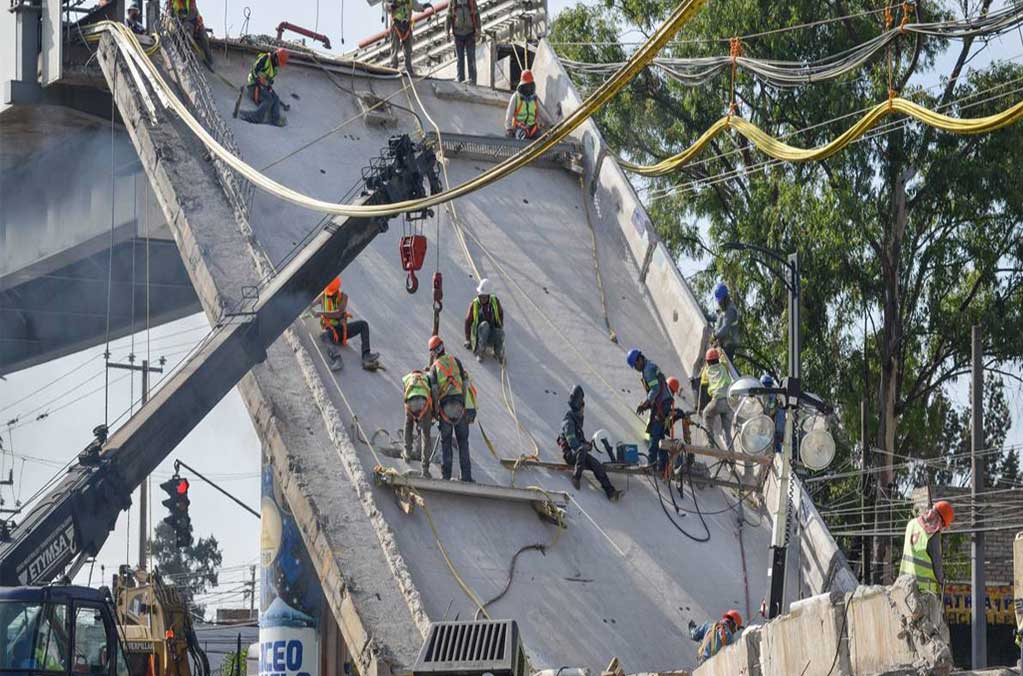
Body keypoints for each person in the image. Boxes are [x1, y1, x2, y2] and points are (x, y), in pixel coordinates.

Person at [558, 385, 621, 501]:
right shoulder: (569, 422)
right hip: (571, 454)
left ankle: (611, 492)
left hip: (579, 454)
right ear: (579, 408)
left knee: (597, 465)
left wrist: (588, 444)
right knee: (582, 449)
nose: (583, 412)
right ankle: (576, 477)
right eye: (583, 409)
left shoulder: (576, 421)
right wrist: (584, 447)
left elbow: (579, 441)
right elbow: (572, 443)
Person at [428, 336, 473, 482]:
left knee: (446, 442)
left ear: (433, 352)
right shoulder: (456, 361)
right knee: (463, 442)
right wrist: (464, 404)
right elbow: (465, 383)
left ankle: (446, 477)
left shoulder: (435, 367)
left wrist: (435, 410)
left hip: (445, 408)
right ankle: (466, 477)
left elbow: (434, 391)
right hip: (460, 406)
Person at [313, 276, 380, 371]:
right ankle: (337, 359)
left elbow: (338, 313)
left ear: (337, 290)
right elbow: (311, 304)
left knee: (363, 324)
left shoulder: (344, 297)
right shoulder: (323, 296)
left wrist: (321, 313)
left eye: (332, 294)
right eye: (329, 294)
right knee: (324, 335)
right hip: (330, 332)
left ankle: (366, 355)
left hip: (342, 331)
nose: (330, 296)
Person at [626, 348, 673, 473]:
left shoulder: (648, 370)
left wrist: (646, 402)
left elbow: (655, 389)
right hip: (662, 402)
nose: (636, 368)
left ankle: (651, 464)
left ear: (639, 359)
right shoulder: (647, 367)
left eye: (635, 365)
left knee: (654, 434)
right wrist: (647, 404)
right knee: (659, 435)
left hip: (663, 404)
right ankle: (663, 466)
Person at [899, 500, 954, 594]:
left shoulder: (911, 524)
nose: (941, 528)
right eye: (943, 525)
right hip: (923, 590)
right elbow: (936, 563)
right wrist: (942, 581)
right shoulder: (932, 533)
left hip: (903, 585)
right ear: (940, 520)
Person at [241, 48, 289, 127]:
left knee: (276, 98)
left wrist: (269, 86)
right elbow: (254, 70)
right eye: (279, 62)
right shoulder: (265, 59)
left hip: (264, 87)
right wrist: (257, 81)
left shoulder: (275, 69)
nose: (278, 65)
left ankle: (275, 119)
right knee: (268, 99)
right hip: (253, 85)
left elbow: (269, 80)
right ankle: (257, 117)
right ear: (276, 57)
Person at [463, 278, 505, 363]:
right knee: (485, 325)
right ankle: (480, 352)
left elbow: (500, 313)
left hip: (490, 332)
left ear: (489, 295)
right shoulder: (474, 304)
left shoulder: (495, 301)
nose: (481, 298)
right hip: (479, 336)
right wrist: (467, 339)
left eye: (483, 296)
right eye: (480, 296)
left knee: (501, 333)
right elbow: (467, 321)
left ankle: (497, 353)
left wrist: (499, 326)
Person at [700, 348, 734, 450]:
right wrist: (718, 349)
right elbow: (723, 357)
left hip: (718, 400)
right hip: (729, 402)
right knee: (726, 432)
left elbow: (703, 383)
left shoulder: (707, 370)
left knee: (706, 414)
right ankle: (731, 455)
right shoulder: (723, 365)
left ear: (708, 361)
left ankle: (710, 443)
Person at [402, 369, 434, 477]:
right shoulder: (426, 378)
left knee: (408, 425)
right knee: (426, 436)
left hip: (410, 403)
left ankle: (407, 452)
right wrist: (433, 413)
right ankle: (425, 469)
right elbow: (432, 394)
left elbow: (405, 395)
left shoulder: (407, 378)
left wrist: (411, 415)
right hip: (424, 404)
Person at [387, 0, 433, 75]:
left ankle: (409, 69)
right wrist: (391, 6)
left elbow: (417, 6)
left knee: (408, 49)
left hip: (407, 25)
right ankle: (393, 68)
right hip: (396, 24)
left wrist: (424, 6)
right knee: (395, 47)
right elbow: (386, 6)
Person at [168, 0, 213, 68]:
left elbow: (194, 11)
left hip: (194, 21)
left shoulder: (191, 1)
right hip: (182, 23)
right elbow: (171, 14)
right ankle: (187, 57)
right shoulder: (173, 2)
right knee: (188, 35)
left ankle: (209, 57)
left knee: (204, 36)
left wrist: (197, 23)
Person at [504, 70, 547, 140]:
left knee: (541, 139)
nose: (528, 88)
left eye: (530, 85)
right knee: (521, 138)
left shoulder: (534, 98)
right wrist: (509, 129)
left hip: (532, 127)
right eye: (527, 85)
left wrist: (551, 124)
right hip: (519, 127)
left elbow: (542, 112)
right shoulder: (516, 97)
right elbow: (509, 113)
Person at [446, 0, 479, 85]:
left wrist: (478, 30)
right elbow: (448, 17)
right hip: (458, 34)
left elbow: (476, 15)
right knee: (460, 59)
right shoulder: (453, 2)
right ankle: (460, 79)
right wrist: (447, 32)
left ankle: (472, 80)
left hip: (470, 33)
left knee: (471, 58)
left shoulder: (471, 1)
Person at [712, 282, 740, 362]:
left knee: (726, 365)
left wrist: (715, 335)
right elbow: (718, 318)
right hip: (723, 343)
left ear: (725, 298)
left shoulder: (730, 310)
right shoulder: (724, 308)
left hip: (729, 344)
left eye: (720, 300)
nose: (719, 302)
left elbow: (725, 328)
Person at [760, 373, 785, 453]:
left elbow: (770, 411)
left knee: (773, 447)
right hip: (775, 427)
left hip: (773, 426)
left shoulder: (770, 395)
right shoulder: (775, 394)